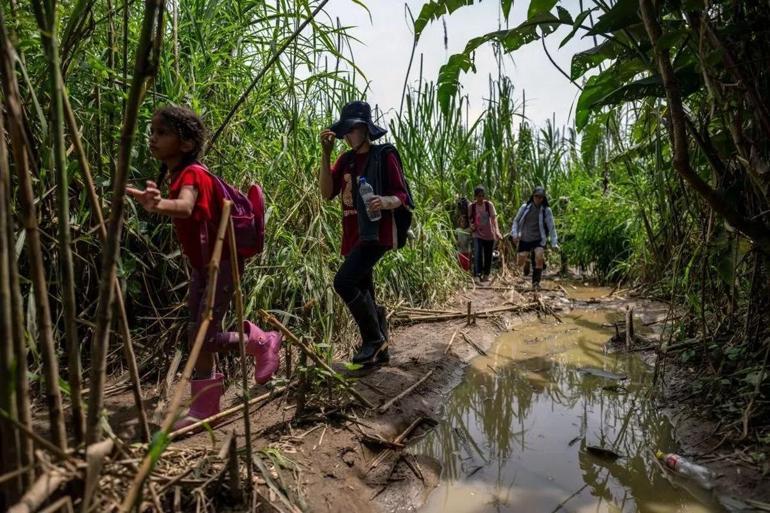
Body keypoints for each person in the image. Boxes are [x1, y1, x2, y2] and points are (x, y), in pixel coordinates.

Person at [126, 105, 281, 431]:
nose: (152, 138)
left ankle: (262, 342)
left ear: (184, 144)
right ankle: (205, 407)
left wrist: (157, 205)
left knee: (203, 334)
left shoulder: (192, 174)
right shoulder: (180, 173)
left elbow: (185, 206)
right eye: (152, 131)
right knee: (197, 332)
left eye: (161, 133)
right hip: (204, 266)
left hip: (220, 264)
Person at [319, 100, 411, 366]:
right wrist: (325, 155)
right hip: (352, 234)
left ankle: (372, 339)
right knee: (362, 287)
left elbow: (402, 195)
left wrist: (384, 201)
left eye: (351, 130)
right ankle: (381, 349)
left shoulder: (384, 155)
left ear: (365, 128)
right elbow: (327, 193)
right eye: (344, 131)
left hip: (375, 234)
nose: (346, 136)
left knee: (343, 282)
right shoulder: (345, 160)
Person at [510, 185, 559, 289]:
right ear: (533, 196)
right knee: (521, 260)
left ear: (543, 198)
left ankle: (536, 283)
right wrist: (514, 234)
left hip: (539, 239)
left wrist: (554, 243)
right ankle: (525, 265)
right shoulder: (525, 208)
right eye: (536, 196)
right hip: (525, 237)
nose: (538, 199)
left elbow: (551, 227)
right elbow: (516, 221)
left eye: (541, 197)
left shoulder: (546, 210)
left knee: (539, 257)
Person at [468, 185, 500, 282]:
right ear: (475, 196)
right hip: (477, 234)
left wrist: (497, 231)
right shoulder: (472, 207)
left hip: (489, 234)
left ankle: (486, 274)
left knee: (488, 255)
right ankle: (477, 274)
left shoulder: (488, 205)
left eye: (482, 196)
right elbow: (470, 219)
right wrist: (471, 226)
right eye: (478, 196)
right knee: (477, 253)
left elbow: (494, 219)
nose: (480, 198)